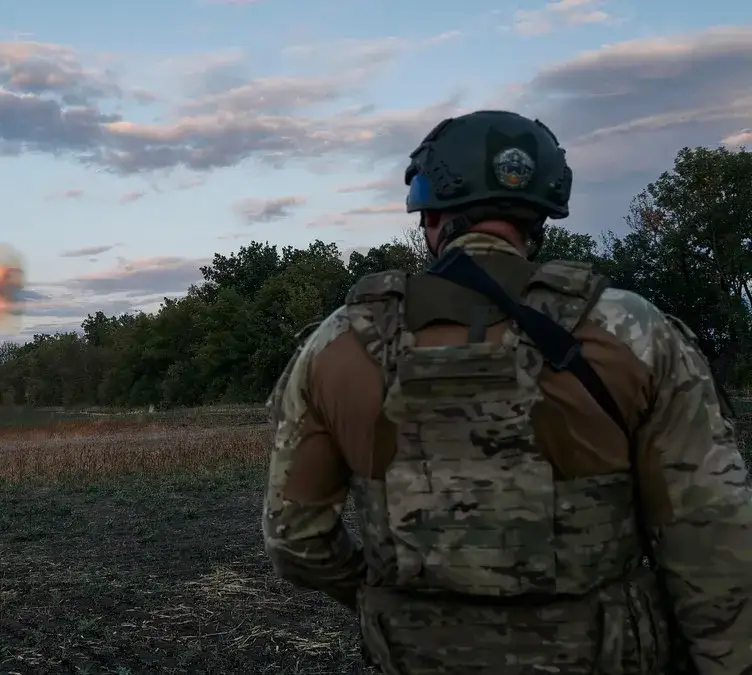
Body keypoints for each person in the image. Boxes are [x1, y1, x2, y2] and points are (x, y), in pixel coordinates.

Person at [261, 109, 752, 674]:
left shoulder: (337, 345)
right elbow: (714, 540)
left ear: (431, 217)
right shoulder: (632, 332)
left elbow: (295, 540)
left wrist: (383, 602)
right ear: (539, 214)